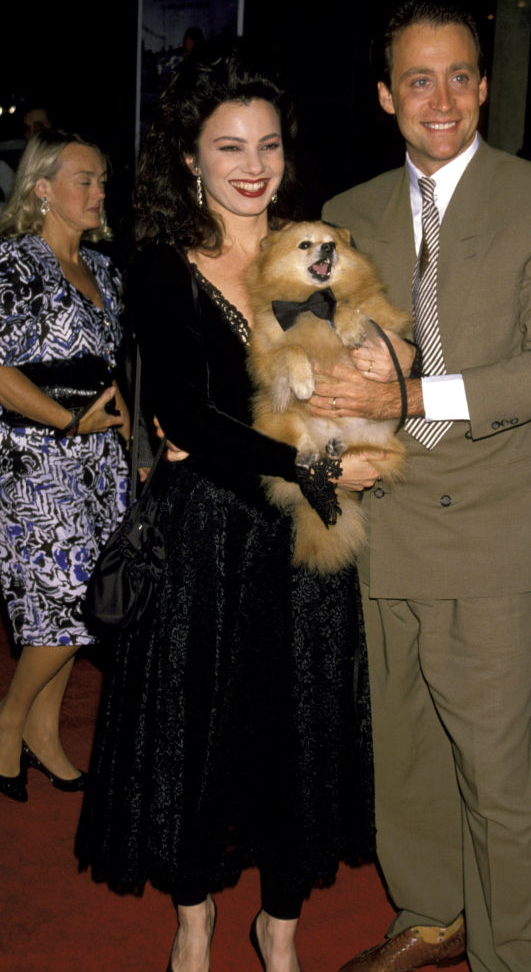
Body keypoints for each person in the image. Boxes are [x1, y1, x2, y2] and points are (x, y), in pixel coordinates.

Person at [316, 0, 531, 972]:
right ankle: (430, 916)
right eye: (415, 79)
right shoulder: (345, 218)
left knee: (492, 769)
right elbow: (320, 367)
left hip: (490, 530)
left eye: (456, 77)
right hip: (383, 518)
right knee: (400, 758)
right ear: (383, 96)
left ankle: (511, 953)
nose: (437, 99)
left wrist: (406, 390)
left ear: (483, 85)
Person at [75, 54, 380, 972]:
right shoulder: (163, 268)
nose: (253, 166)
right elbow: (193, 419)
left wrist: (368, 434)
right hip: (209, 539)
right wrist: (318, 466)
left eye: (269, 146)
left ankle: (279, 930)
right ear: (190, 161)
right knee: (199, 737)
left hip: (307, 544)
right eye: (229, 147)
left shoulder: (322, 249)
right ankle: (196, 919)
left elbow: (376, 356)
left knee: (300, 732)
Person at [0, 129, 129, 804]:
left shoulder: (104, 267)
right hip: (36, 459)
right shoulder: (12, 264)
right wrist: (67, 421)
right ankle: (8, 721)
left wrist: (127, 426)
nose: (99, 191)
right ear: (42, 187)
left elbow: (116, 365)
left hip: (100, 458)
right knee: (63, 601)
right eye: (85, 179)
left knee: (85, 610)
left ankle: (44, 735)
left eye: (102, 179)